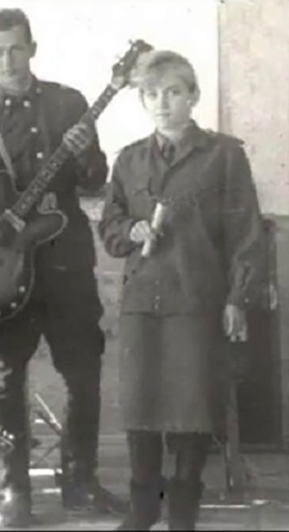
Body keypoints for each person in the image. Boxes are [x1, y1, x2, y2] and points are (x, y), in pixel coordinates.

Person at [0, 7, 123, 526]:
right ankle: (13, 487)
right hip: (5, 271)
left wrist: (83, 155)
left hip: (65, 265)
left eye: (16, 48)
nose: (7, 60)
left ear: (32, 48)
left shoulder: (69, 103)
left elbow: (94, 180)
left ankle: (80, 482)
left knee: (83, 372)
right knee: (4, 377)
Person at [98, 50, 267, 530]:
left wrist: (237, 298)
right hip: (142, 303)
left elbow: (246, 233)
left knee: (193, 409)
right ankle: (144, 507)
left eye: (173, 92)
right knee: (140, 406)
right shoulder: (129, 160)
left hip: (197, 300)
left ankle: (183, 512)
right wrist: (131, 230)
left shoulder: (224, 156)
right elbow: (110, 225)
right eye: (151, 94)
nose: (162, 102)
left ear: (193, 95)